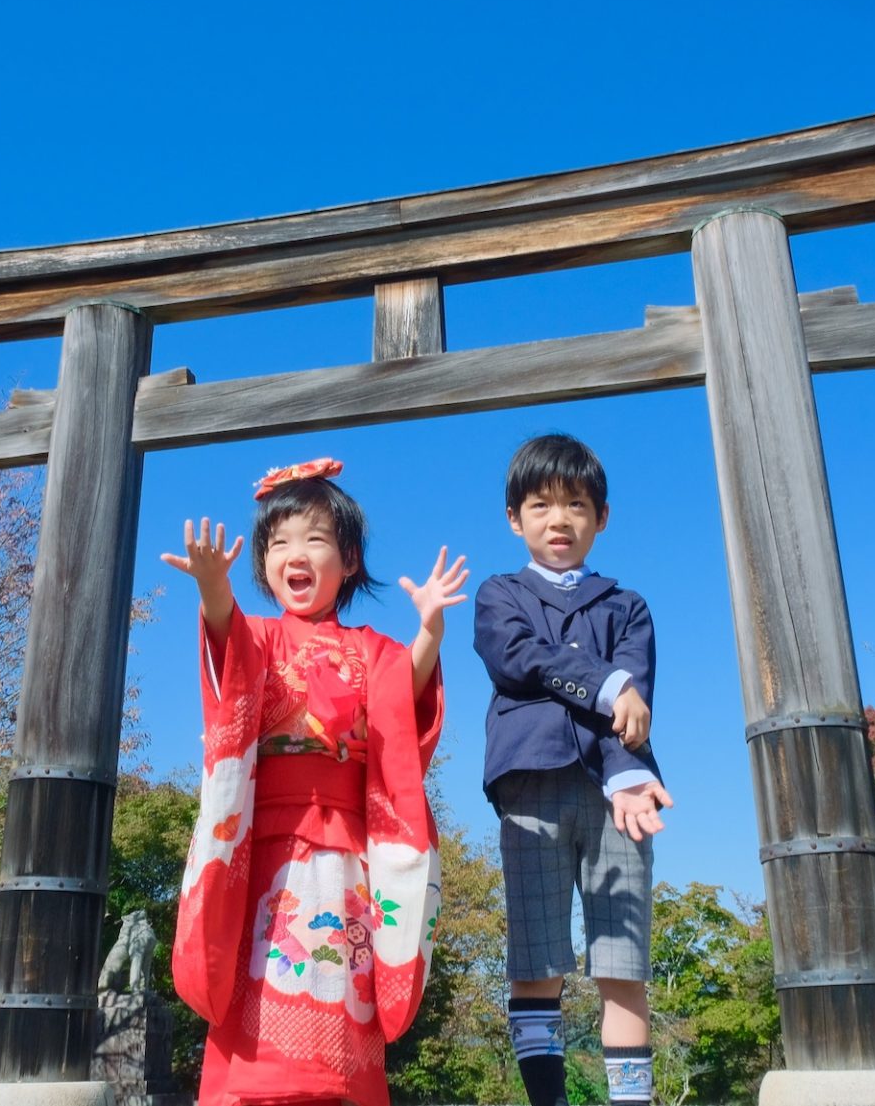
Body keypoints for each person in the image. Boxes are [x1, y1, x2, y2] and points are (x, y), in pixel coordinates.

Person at [165, 457, 468, 1106]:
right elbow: (230, 660)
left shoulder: (370, 648)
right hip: (261, 854)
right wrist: (213, 589)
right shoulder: (263, 637)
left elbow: (397, 700)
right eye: (278, 542)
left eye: (314, 538)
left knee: (336, 997)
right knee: (254, 1007)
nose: (294, 553)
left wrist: (430, 630)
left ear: (350, 558)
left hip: (344, 858)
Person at [474, 433, 674, 1106]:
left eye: (577, 504)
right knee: (536, 961)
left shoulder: (628, 605)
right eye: (540, 505)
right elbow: (517, 659)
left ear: (602, 517)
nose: (559, 519)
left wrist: (625, 767)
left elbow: (634, 705)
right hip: (528, 783)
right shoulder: (499, 594)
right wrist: (607, 683)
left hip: (619, 790)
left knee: (624, 965)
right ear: (514, 517)